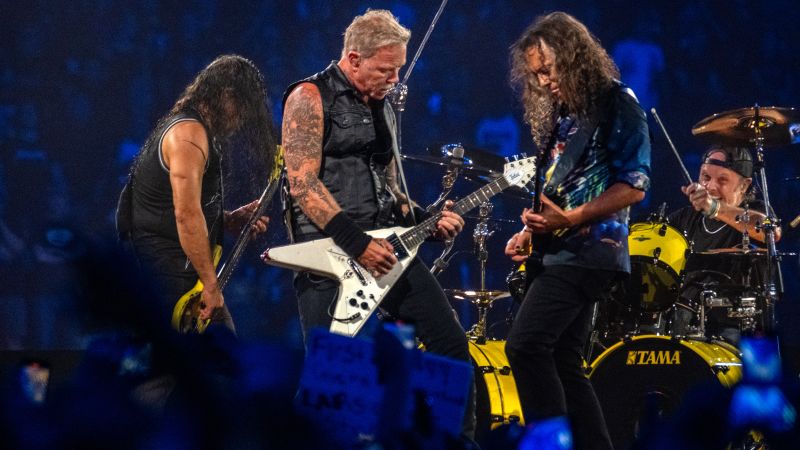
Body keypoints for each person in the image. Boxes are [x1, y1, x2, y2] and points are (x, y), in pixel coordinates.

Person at [280, 9, 475, 440]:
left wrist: (425, 218)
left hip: (388, 246)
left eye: (399, 68)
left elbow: (390, 187)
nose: (395, 78)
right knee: (334, 373)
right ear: (353, 59)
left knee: (451, 347)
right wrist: (356, 243)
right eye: (386, 69)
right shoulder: (309, 96)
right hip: (330, 251)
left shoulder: (383, 106)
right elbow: (302, 184)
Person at [502, 12, 651, 449]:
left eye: (549, 68)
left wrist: (568, 220)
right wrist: (534, 231)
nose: (544, 80)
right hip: (557, 249)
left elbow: (635, 185)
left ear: (575, 57)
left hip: (592, 251)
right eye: (536, 74)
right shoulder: (565, 115)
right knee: (566, 360)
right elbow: (558, 187)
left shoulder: (617, 102)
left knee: (525, 347)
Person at [116, 54, 274, 332]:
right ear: (225, 96)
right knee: (211, 363)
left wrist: (226, 220)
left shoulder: (197, 131)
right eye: (242, 108)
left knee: (218, 362)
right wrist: (211, 286)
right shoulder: (188, 135)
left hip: (180, 277)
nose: (241, 120)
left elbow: (172, 205)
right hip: (166, 280)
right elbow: (186, 214)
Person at [667, 145, 782, 342]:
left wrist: (714, 208)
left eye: (722, 180)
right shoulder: (685, 219)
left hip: (743, 328)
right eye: (705, 177)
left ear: (744, 186)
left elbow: (770, 231)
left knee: (760, 369)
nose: (710, 187)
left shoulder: (757, 210)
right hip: (685, 322)